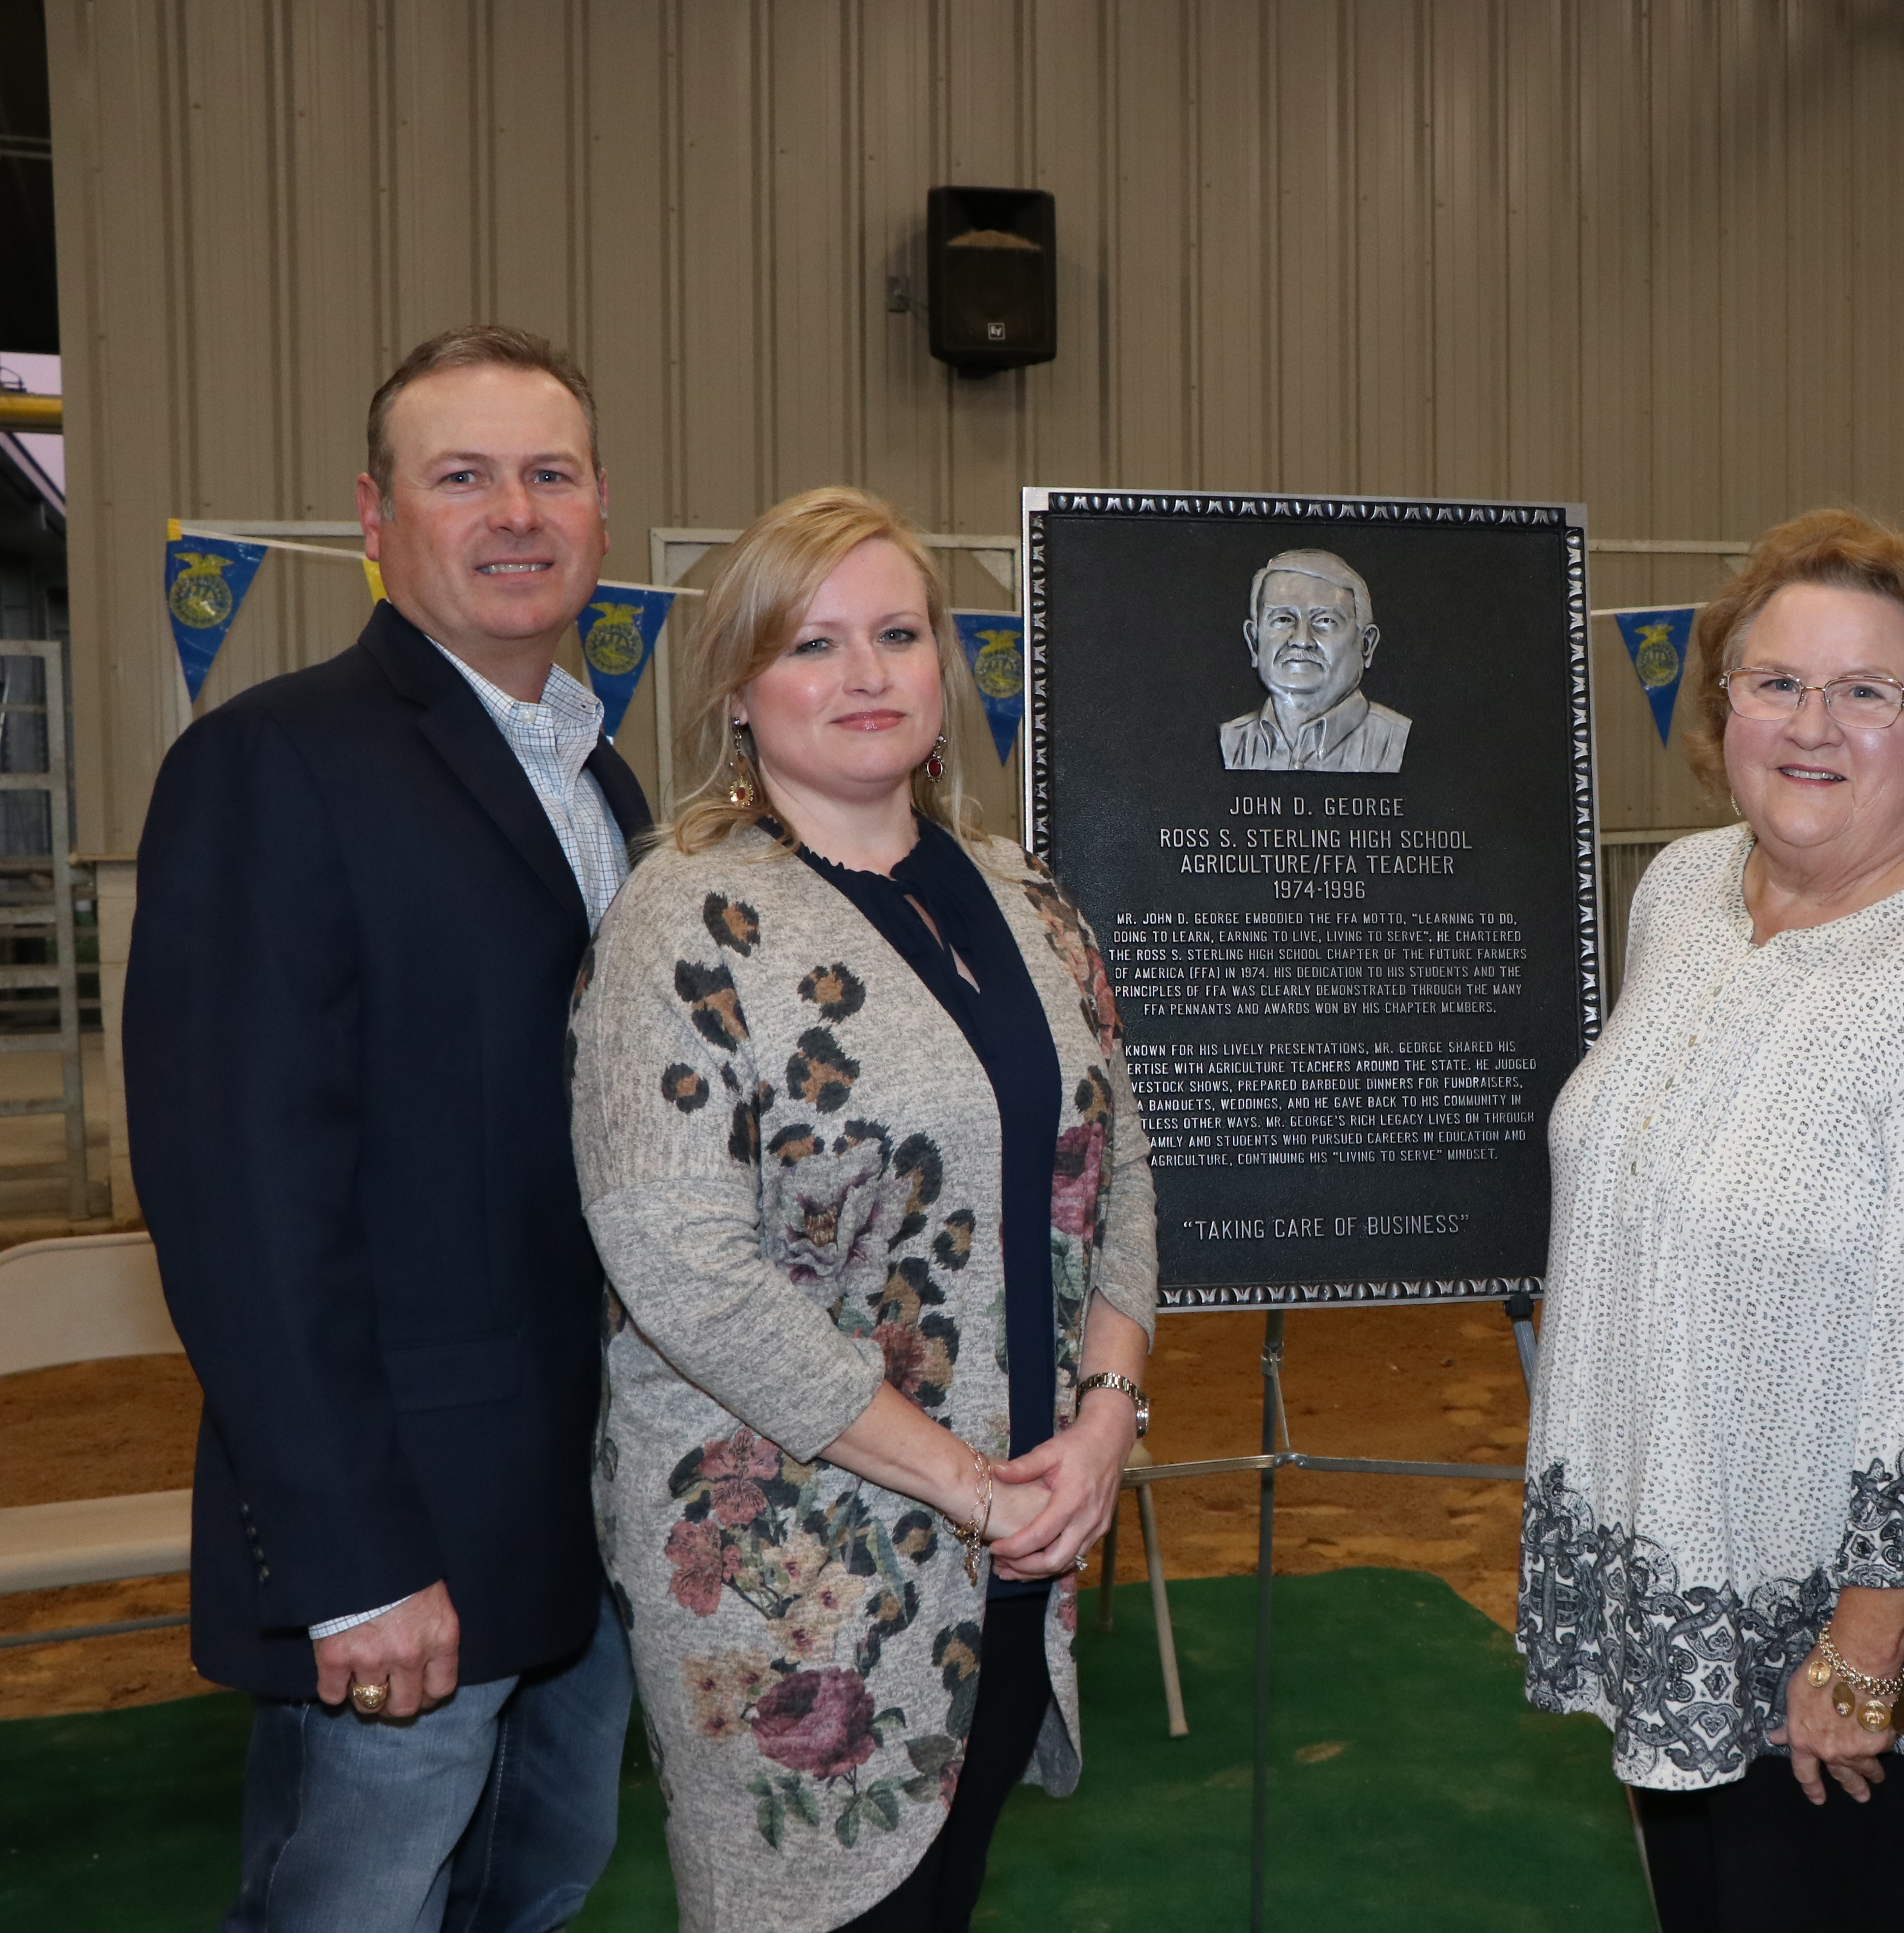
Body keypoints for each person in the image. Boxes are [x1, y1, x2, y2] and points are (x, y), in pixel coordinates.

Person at [568, 485, 1157, 1933]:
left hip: (1020, 1536)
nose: (866, 674)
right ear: (738, 689)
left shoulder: (1028, 900)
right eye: (813, 643)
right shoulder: (685, 916)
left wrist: (1102, 1418)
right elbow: (680, 1264)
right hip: (795, 1582)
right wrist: (966, 1482)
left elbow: (1121, 1172)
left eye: (896, 634)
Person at [127, 325, 645, 1931]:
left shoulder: (607, 781)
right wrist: (350, 1553)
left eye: (549, 473)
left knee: (542, 1887)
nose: (515, 513)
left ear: (600, 511)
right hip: (406, 1532)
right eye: (462, 476)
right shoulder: (271, 763)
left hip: (596, 1510)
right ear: (374, 517)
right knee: (357, 1907)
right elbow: (241, 1202)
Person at [1518, 508, 1904, 1931]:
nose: (1810, 723)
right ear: (1721, 704)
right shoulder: (1684, 888)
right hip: (1667, 1575)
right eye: (1775, 681)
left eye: (1866, 690)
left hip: (1819, 1645)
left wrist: (1860, 1655)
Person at [1218, 547, 1411, 771]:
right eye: (1283, 619)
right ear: (1254, 642)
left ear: (1366, 645)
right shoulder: (1230, 743)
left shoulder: (1399, 741)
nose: (1302, 640)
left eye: (1326, 621)